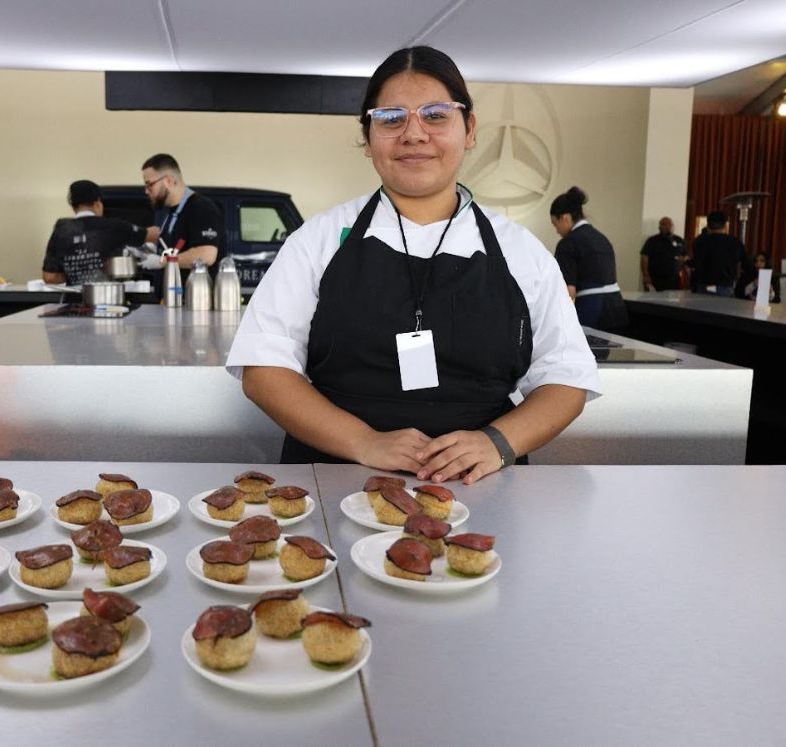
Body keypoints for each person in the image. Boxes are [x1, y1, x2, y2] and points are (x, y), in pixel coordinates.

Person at [225, 46, 601, 485]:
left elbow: (566, 378)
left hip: (479, 488)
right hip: (333, 479)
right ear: (368, 137)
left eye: (436, 115)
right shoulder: (317, 242)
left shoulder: (522, 252)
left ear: (470, 129)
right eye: (391, 118)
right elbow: (264, 370)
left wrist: (498, 442)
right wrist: (364, 442)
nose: (414, 134)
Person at [41, 180, 159, 285]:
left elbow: (50, 277)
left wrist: (77, 274)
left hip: (74, 299)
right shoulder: (115, 226)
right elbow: (154, 234)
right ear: (97, 203)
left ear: (73, 207)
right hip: (109, 296)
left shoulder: (61, 230)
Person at [550, 187, 629, 331]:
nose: (557, 231)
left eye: (555, 224)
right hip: (618, 308)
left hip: (592, 310)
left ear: (565, 218)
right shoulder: (602, 239)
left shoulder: (567, 244)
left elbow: (569, 292)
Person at [140, 154, 224, 270]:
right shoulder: (171, 212)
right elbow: (176, 249)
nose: (146, 191)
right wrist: (154, 250)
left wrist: (162, 262)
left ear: (169, 181)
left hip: (194, 282)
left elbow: (206, 255)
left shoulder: (202, 208)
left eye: (150, 184)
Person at [690, 210, 743, 297]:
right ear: (725, 225)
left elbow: (696, 262)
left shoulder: (700, 241)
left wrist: (687, 262)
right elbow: (743, 262)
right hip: (725, 286)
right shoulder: (734, 242)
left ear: (708, 225)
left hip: (704, 285)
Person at [639, 217, 685, 291]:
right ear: (659, 227)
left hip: (674, 279)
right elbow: (644, 258)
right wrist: (646, 276)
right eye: (664, 224)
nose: (667, 227)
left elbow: (685, 257)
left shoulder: (679, 240)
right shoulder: (652, 241)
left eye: (670, 224)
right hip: (656, 279)